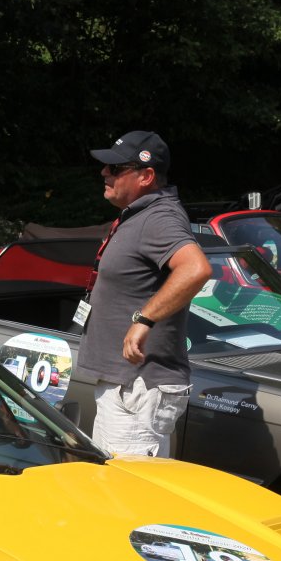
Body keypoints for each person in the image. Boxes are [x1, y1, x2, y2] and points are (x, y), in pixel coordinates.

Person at [73, 130, 212, 457]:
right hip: (127, 387)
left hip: (137, 388)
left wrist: (143, 320)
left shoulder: (159, 217)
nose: (104, 173)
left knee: (125, 488)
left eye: (115, 168)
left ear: (146, 176)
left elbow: (196, 269)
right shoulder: (141, 214)